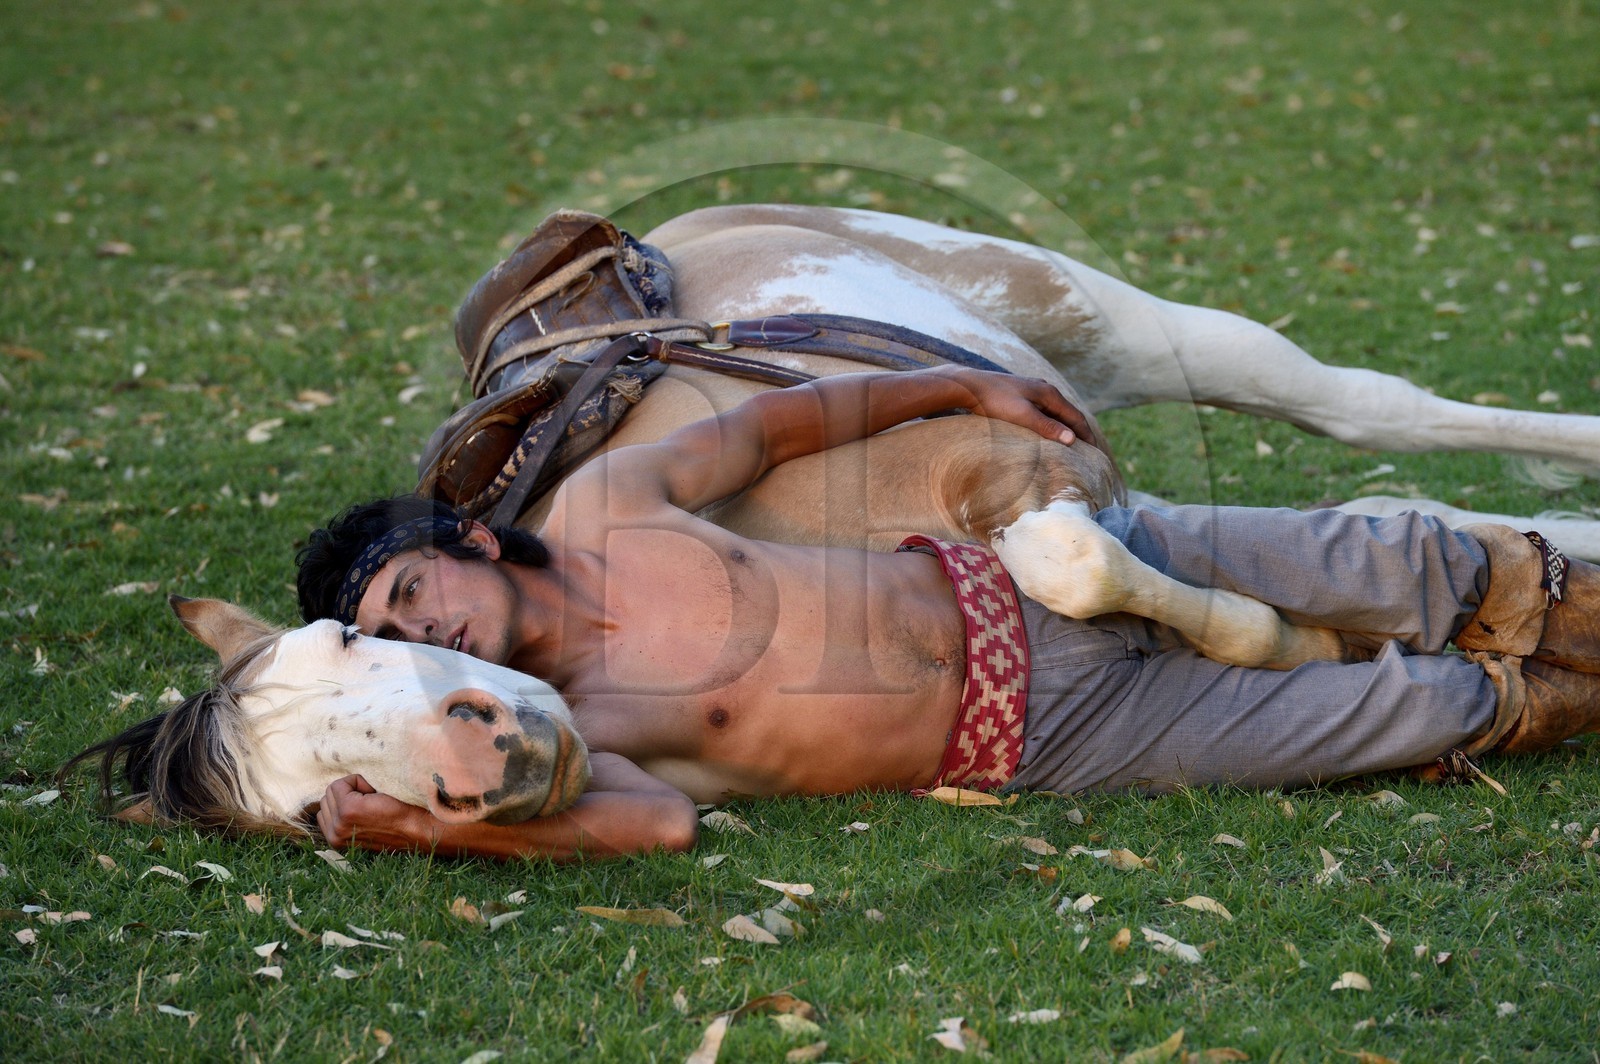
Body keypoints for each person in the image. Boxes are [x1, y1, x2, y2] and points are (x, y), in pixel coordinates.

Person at [296, 366, 1600, 861]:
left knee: (1390, 561)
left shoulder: (603, 505)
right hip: (1049, 736)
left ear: (465, 541)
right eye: (399, 640)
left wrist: (961, 385)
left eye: (414, 595)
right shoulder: (573, 731)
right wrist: (430, 830)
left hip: (1032, 567)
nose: (431, 636)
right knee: (1417, 711)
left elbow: (769, 425)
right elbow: (656, 823)